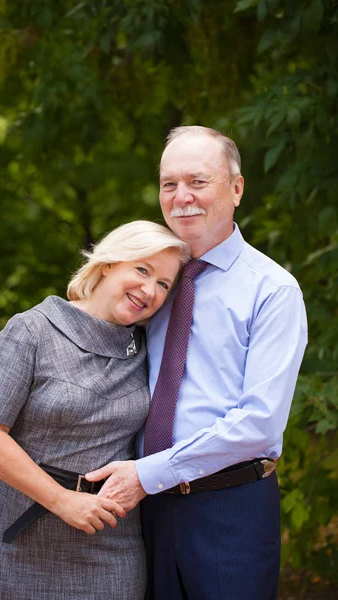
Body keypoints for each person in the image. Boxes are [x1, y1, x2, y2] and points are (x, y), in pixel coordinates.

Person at [86, 126, 308, 600]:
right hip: (144, 510)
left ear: (237, 187)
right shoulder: (147, 282)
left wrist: (147, 474)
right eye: (169, 184)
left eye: (198, 181)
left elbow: (261, 424)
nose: (181, 196)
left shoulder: (272, 290)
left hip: (229, 509)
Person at [0, 219, 190, 600]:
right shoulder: (32, 331)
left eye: (164, 284)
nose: (149, 290)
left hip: (110, 545)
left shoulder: (146, 349)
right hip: (17, 539)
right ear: (108, 264)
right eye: (142, 269)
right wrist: (61, 500)